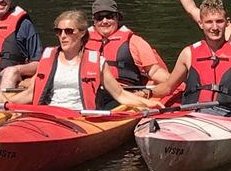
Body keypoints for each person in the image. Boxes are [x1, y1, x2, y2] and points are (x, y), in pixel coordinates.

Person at [147, 0, 231, 121]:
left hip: (226, 118)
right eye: (209, 22)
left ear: (227, 22)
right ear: (201, 24)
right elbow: (168, 87)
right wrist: (144, 94)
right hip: (190, 114)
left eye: (219, 21)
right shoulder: (188, 53)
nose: (214, 27)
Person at [9, 11, 163, 111]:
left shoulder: (97, 63)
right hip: (47, 115)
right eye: (58, 31)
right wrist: (3, 103)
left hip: (79, 119)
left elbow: (120, 94)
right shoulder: (48, 58)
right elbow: (30, 94)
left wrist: (148, 103)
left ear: (82, 34)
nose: (63, 36)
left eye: (69, 31)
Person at [86, 0, 170, 109]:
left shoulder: (134, 41)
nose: (104, 21)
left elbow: (154, 71)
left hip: (125, 95)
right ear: (94, 20)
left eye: (109, 16)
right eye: (99, 17)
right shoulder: (82, 42)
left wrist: (174, 83)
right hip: (91, 93)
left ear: (117, 18)